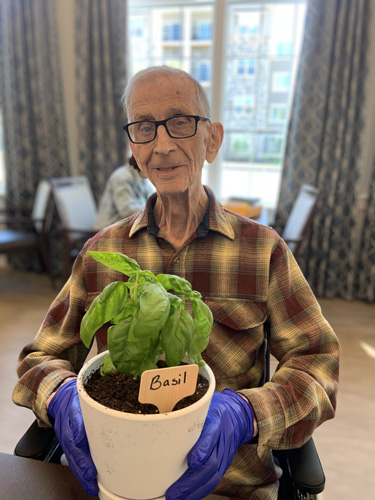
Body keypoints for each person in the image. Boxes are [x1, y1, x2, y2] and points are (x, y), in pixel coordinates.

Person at [12, 66, 339, 500]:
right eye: (144, 128)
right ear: (134, 148)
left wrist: (248, 413)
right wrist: (61, 397)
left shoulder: (263, 250)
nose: (162, 145)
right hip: (116, 480)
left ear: (213, 139)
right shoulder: (102, 252)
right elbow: (40, 358)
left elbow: (317, 364)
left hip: (230, 486)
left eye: (180, 123)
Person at [93, 155, 154, 230]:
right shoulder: (121, 177)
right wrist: (155, 209)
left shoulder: (144, 179)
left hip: (125, 226)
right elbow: (127, 211)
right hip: (107, 230)